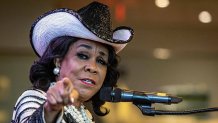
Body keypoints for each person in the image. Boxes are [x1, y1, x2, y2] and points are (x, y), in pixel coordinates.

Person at [11, 1, 133, 123]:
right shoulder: (34, 99)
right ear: (58, 61)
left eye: (101, 61)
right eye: (83, 56)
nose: (93, 67)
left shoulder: (86, 115)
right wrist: (51, 109)